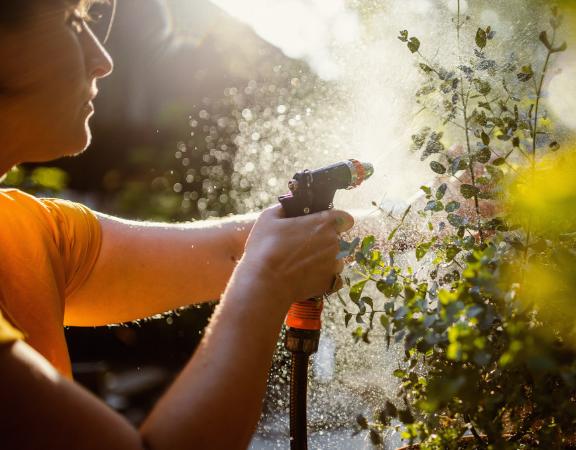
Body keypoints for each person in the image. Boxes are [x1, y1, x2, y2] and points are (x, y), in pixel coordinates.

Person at [0, 1, 354, 448]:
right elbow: (255, 260)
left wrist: (433, 214)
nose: (103, 60)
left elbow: (234, 248)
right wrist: (265, 282)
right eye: (74, 23)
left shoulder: (25, 230)